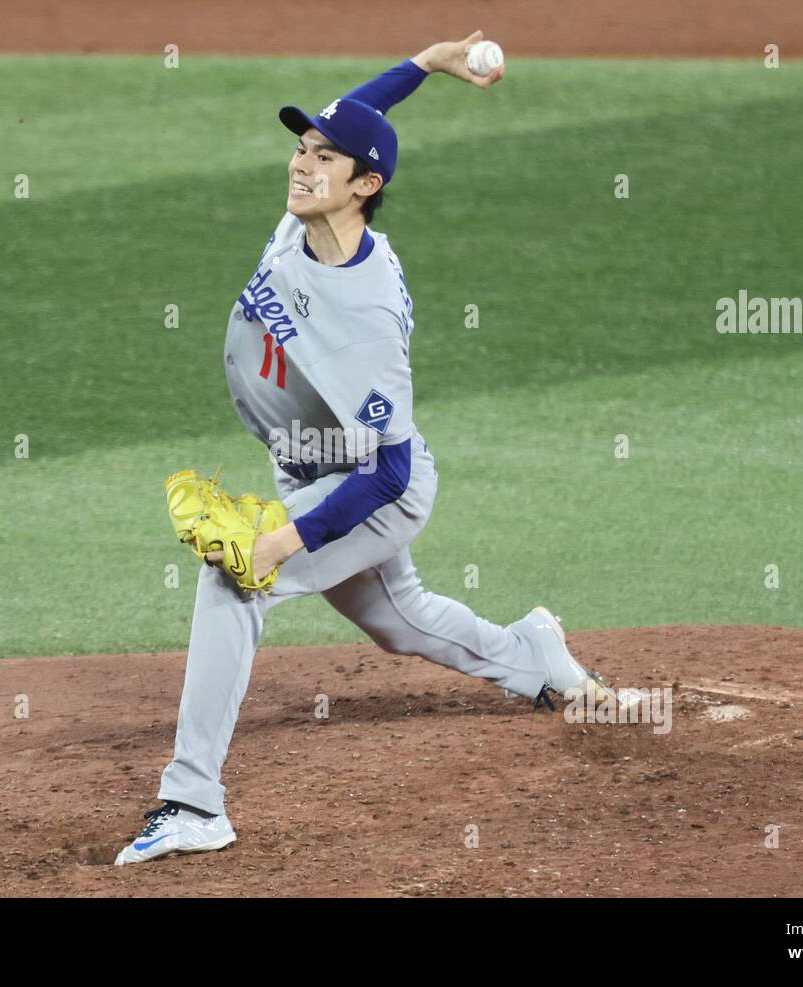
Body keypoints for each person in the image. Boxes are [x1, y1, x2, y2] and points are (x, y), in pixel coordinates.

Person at [115, 32, 612, 867]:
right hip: (309, 465)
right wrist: (427, 62)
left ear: (366, 185)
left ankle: (194, 799)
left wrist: (279, 541)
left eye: (324, 156)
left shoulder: (368, 314)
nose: (302, 164)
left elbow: (387, 471)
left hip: (369, 485)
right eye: (301, 146)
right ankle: (533, 655)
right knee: (400, 618)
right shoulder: (311, 219)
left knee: (234, 578)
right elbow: (366, 110)